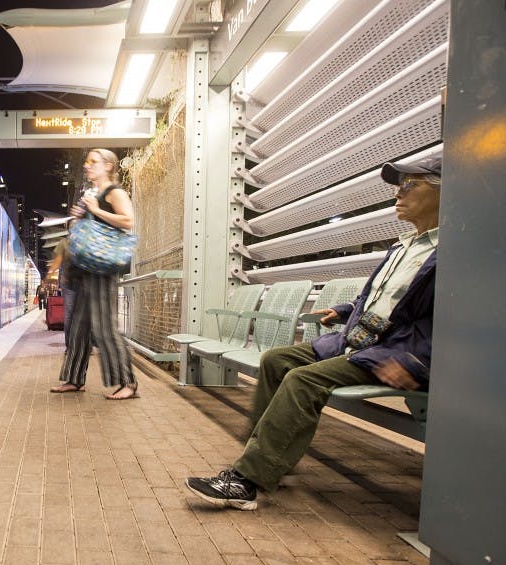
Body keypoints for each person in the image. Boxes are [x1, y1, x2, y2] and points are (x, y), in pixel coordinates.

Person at [185, 156, 441, 510]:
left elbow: (449, 321)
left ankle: (248, 480)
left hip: (391, 352)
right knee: (276, 360)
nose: (398, 193)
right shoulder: (404, 246)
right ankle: (271, 459)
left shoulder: (452, 253)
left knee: (302, 380)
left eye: (410, 184)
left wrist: (412, 362)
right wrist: (346, 310)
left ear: (446, 191)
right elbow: (382, 298)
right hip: (357, 341)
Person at [50, 148, 138, 400]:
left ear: (109, 166)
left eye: (93, 162)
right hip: (86, 270)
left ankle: (128, 383)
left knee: (105, 327)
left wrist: (95, 210)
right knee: (78, 327)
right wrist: (79, 218)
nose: (88, 166)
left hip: (103, 269)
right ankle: (74, 379)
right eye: (87, 162)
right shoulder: (92, 194)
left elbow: (128, 221)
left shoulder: (115, 192)